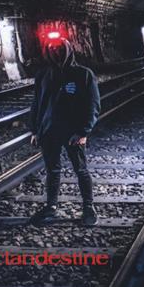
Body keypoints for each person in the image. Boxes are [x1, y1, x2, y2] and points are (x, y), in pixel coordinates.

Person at [29, 37, 101, 226]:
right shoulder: (43, 74)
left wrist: (84, 131)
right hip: (49, 132)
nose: (56, 52)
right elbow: (37, 104)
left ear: (68, 49)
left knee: (81, 170)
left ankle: (88, 207)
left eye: (60, 48)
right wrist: (35, 130)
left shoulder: (83, 74)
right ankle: (51, 207)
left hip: (73, 134)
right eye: (52, 48)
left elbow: (92, 105)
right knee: (52, 170)